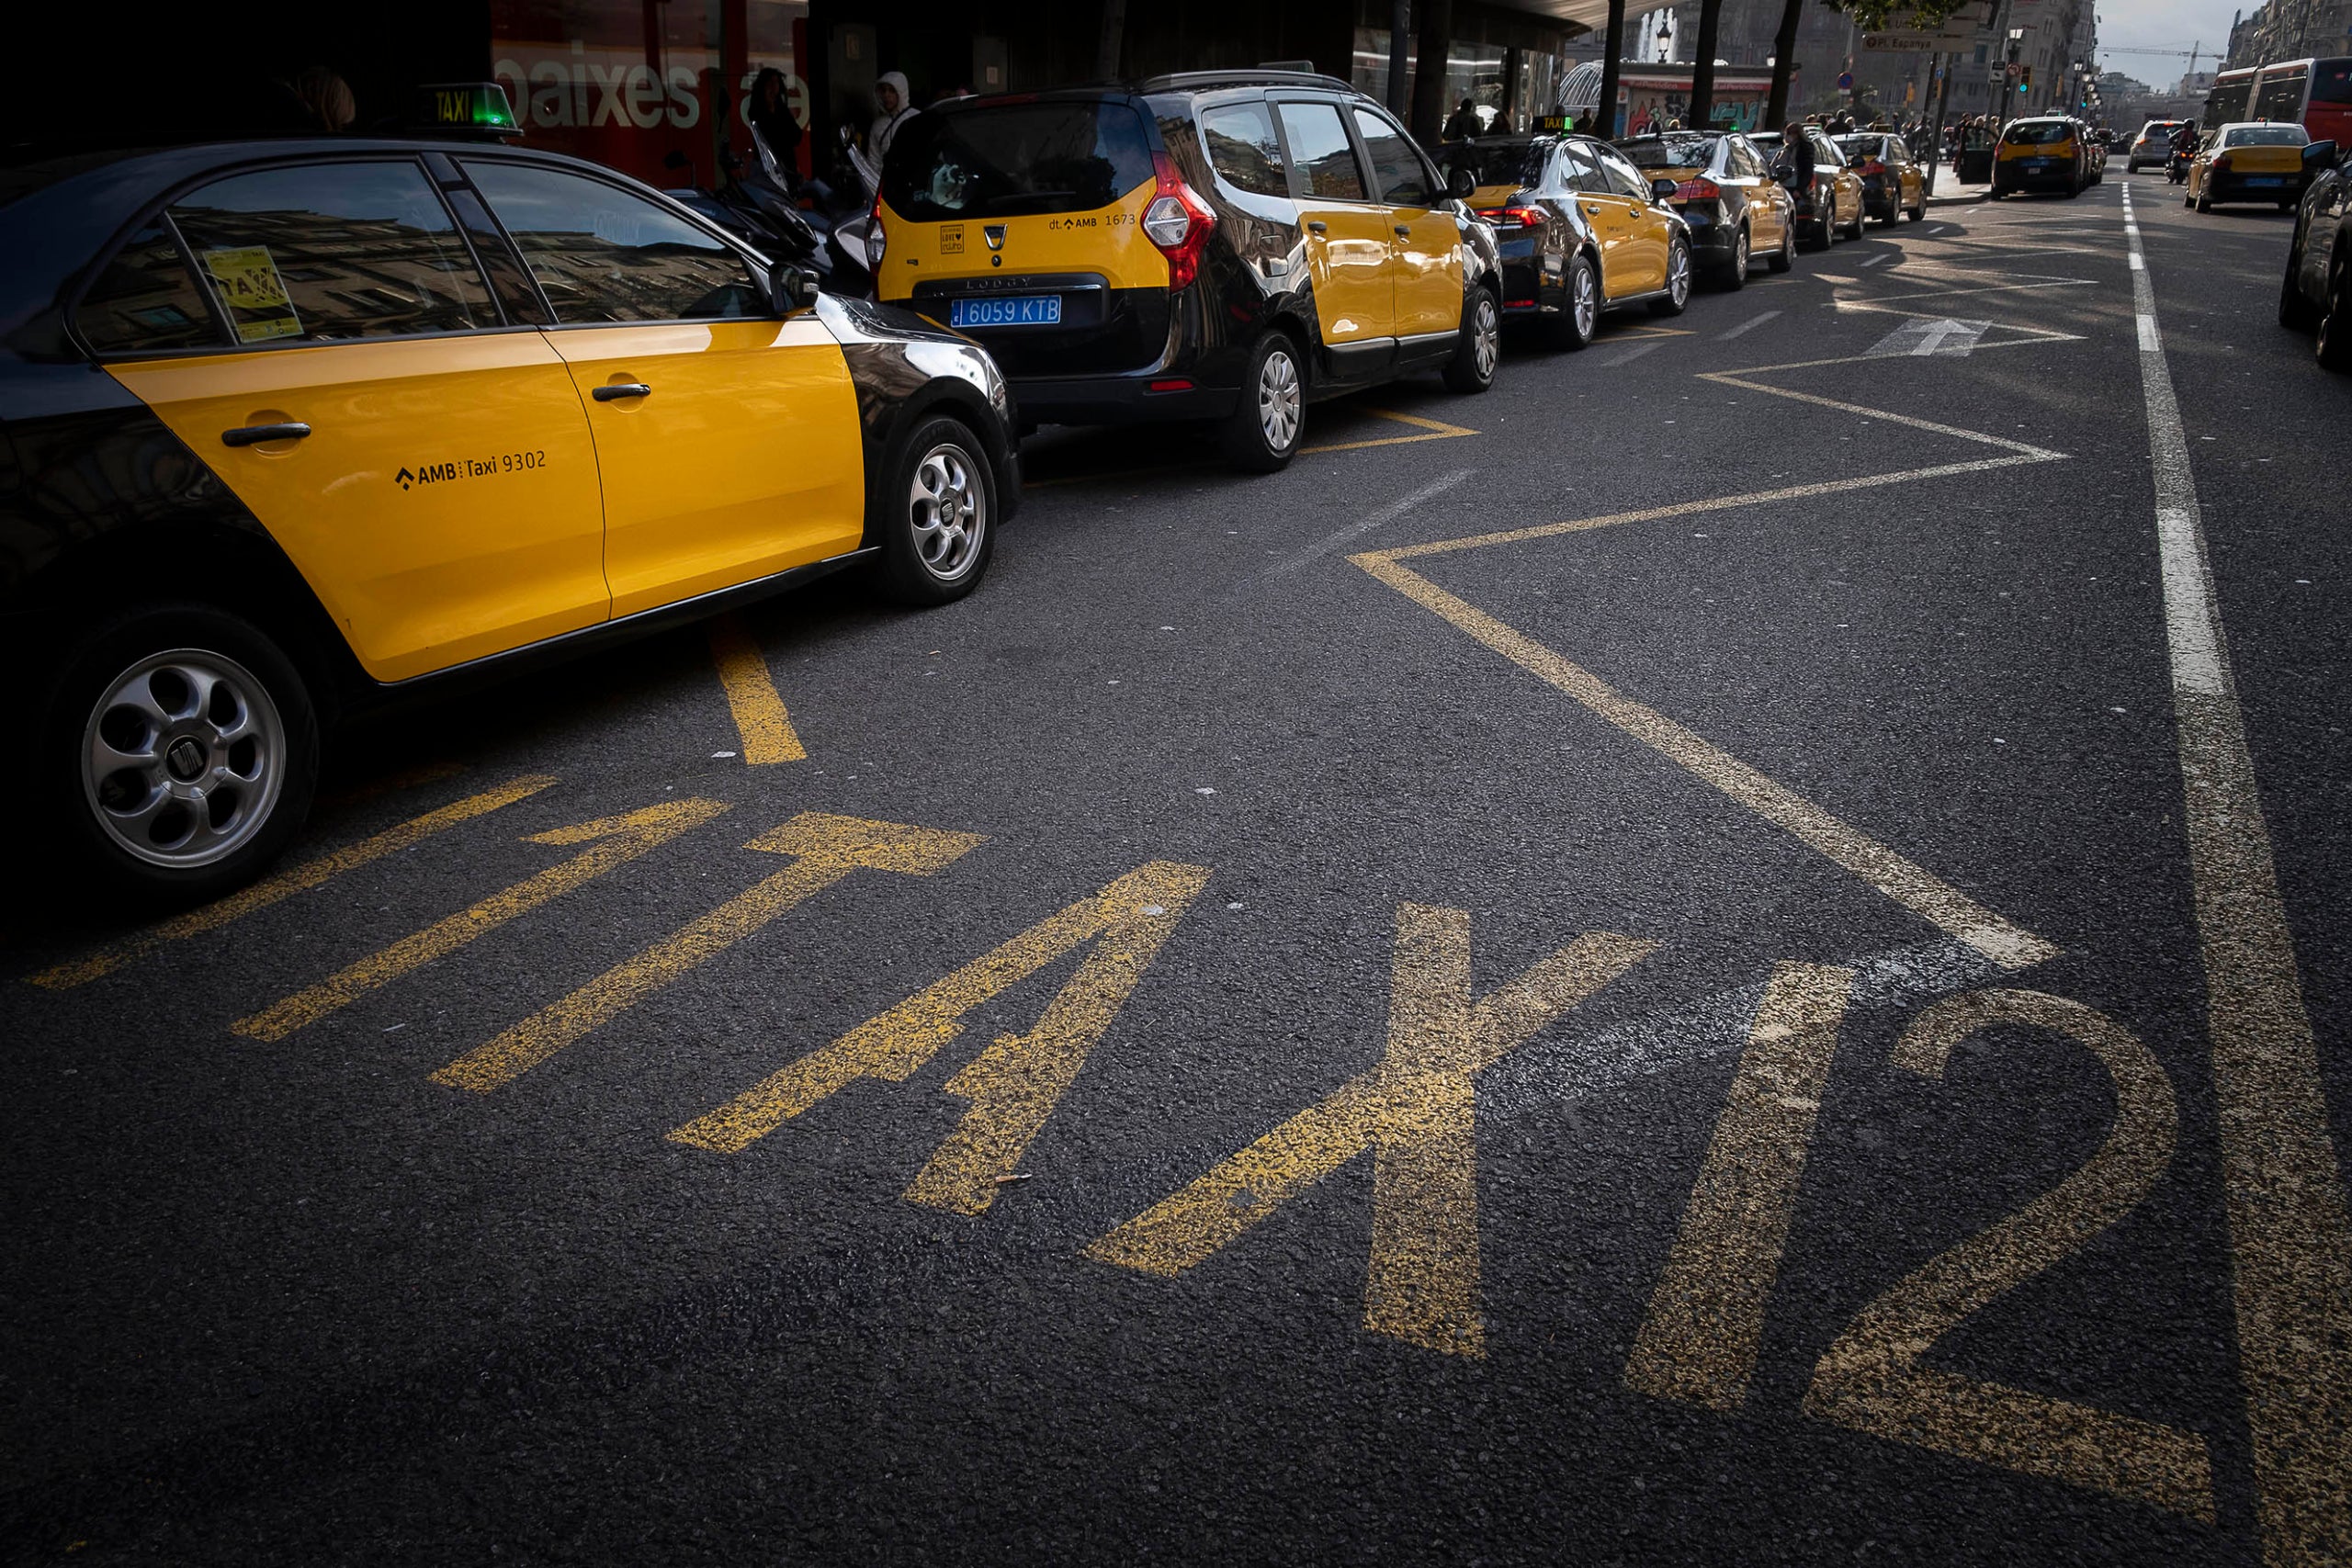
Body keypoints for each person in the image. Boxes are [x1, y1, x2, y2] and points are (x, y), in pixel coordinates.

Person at [746, 67, 802, 188]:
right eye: (770, 83)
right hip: (766, 167)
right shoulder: (756, 109)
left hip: (786, 166)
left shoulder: (781, 109)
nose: (774, 87)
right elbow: (767, 136)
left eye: (776, 82)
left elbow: (797, 135)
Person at [869, 71, 916, 164]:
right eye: (884, 90)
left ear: (901, 92)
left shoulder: (916, 118)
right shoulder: (878, 125)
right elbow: (874, 160)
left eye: (892, 90)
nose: (886, 95)